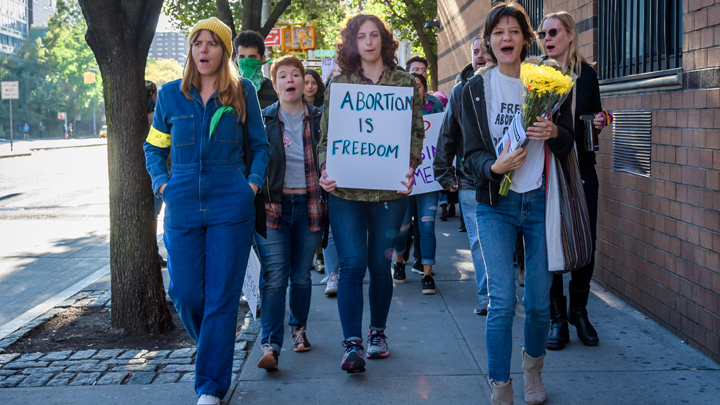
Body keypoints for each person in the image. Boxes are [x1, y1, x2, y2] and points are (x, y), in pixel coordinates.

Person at [143, 17, 269, 405]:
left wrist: (249, 185)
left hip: (230, 204)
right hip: (181, 203)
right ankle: (217, 346)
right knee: (184, 292)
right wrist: (163, 183)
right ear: (190, 51)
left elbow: (261, 147)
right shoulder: (170, 95)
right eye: (197, 42)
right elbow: (154, 147)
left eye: (212, 43)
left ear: (225, 51)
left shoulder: (242, 92)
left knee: (220, 296)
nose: (203, 50)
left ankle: (210, 388)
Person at [461, 3, 574, 404]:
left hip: (541, 202)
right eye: (497, 33)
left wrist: (555, 131)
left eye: (513, 31)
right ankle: (500, 385)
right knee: (502, 301)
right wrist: (493, 166)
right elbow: (466, 153)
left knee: (539, 302)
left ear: (526, 39)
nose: (505, 38)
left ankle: (533, 371)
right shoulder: (473, 90)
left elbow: (569, 142)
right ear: (488, 42)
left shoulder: (548, 82)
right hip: (496, 204)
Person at [317, 14, 423, 373]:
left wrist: (409, 166)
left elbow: (415, 135)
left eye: (374, 34)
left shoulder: (406, 83)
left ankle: (378, 333)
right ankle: (352, 344)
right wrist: (325, 171)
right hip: (345, 192)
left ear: (384, 40)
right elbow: (326, 140)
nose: (368, 41)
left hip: (390, 192)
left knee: (381, 265)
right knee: (351, 265)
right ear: (352, 42)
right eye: (360, 36)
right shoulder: (338, 86)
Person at [538, 11, 613, 351]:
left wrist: (599, 120)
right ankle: (557, 320)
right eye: (542, 34)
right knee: (550, 241)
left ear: (569, 34)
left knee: (585, 239)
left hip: (581, 167)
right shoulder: (537, 75)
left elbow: (594, 116)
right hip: (546, 169)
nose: (546, 38)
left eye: (552, 32)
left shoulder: (587, 75)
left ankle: (578, 310)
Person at [255, 55, 326, 370]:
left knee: (300, 276)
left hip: (310, 206)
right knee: (273, 278)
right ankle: (270, 344)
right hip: (273, 210)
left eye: (295, 74)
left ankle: (299, 330)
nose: (289, 80)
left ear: (303, 80)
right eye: (282, 75)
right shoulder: (262, 120)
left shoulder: (321, 119)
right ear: (274, 83)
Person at [434, 33, 491, 315]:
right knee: (480, 240)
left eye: (484, 50)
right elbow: (446, 135)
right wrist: (445, 176)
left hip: (512, 180)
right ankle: (488, 294)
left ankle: (501, 291)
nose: (479, 55)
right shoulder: (460, 91)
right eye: (475, 51)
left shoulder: (515, 84)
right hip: (471, 181)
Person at [392, 73, 442, 294]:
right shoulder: (395, 110)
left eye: (418, 86)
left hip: (428, 180)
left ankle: (427, 275)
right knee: (402, 227)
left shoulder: (436, 107)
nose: (414, 90)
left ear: (425, 89)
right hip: (403, 179)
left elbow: (444, 138)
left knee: (427, 225)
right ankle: (400, 260)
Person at [234, 30, 278, 109]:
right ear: (237, 58)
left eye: (252, 57)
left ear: (263, 58)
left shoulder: (276, 90)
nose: (246, 62)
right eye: (242, 57)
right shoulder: (227, 89)